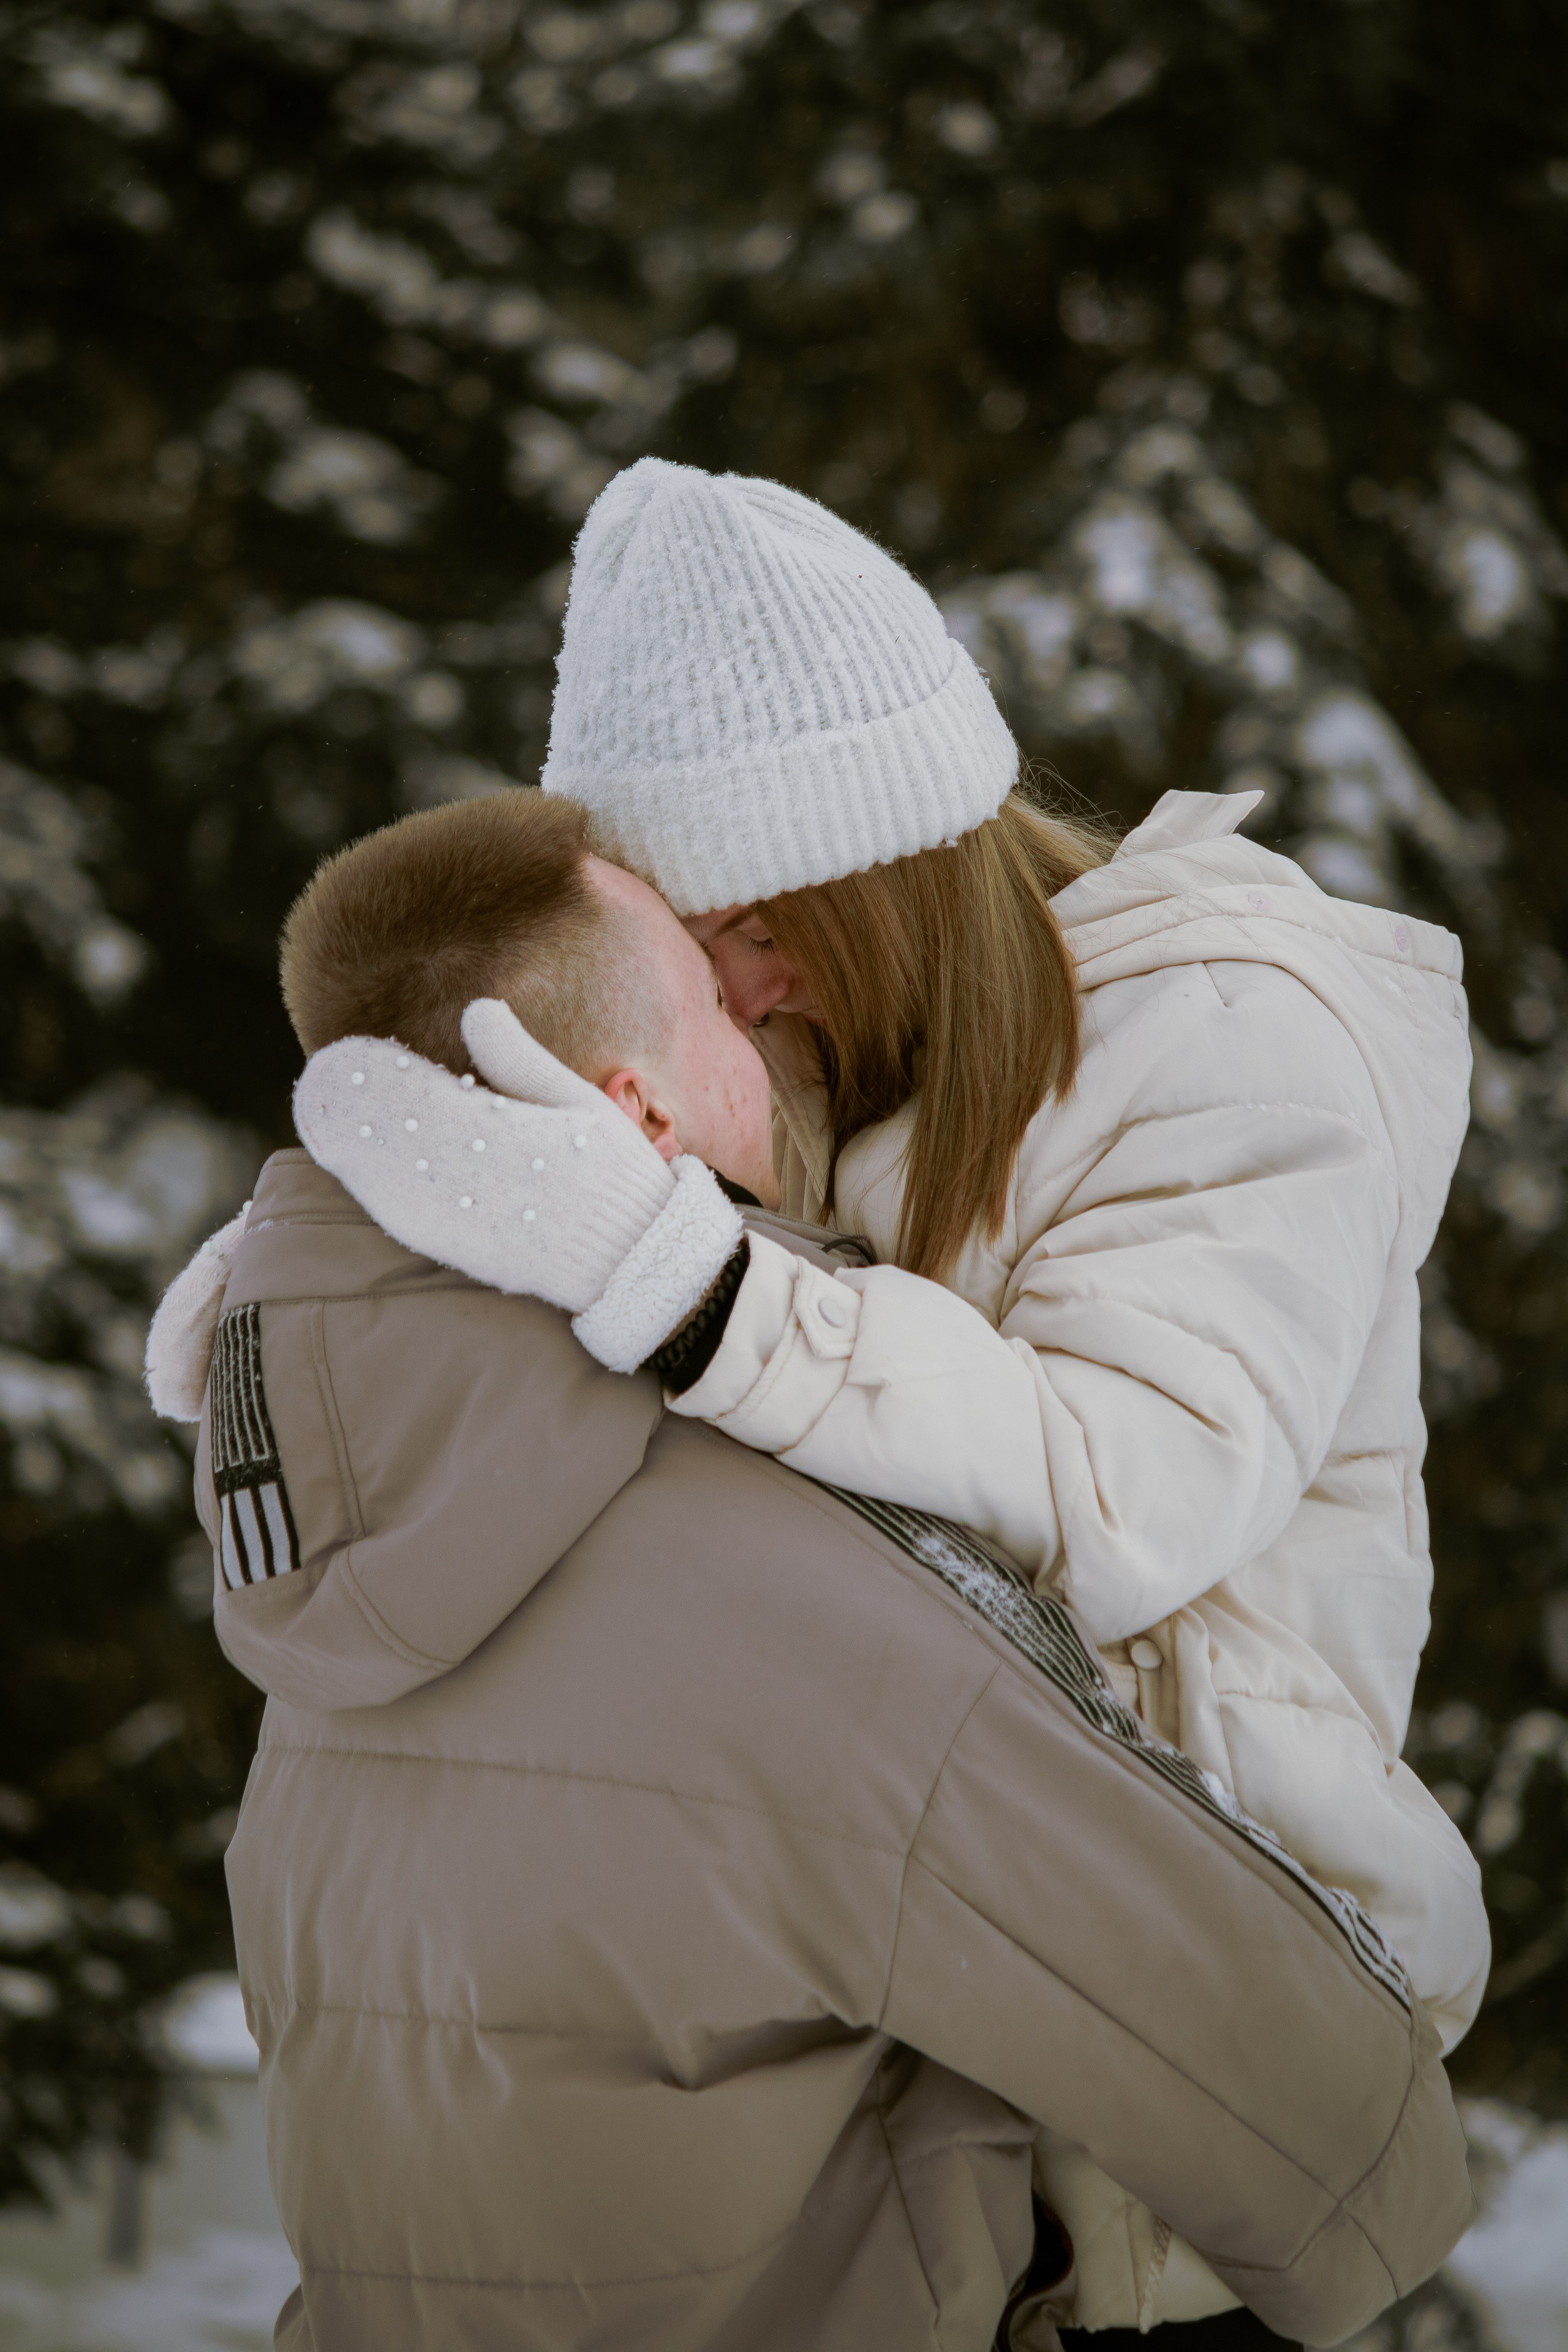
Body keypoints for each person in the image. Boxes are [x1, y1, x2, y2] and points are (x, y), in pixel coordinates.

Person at [291, 456, 1491, 2332]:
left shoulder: (1236, 1035)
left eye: (763, 918)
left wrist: (692, 1289)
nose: (742, 986)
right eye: (693, 948)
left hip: (1197, 2123)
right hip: (932, 2102)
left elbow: (1119, 1498)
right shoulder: (822, 1063)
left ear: (895, 854)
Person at [148, 1150, 1474, 2351]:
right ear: (629, 1106)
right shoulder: (813, 1603)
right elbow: (1346, 2158)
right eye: (719, 995)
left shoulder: (321, 1607)